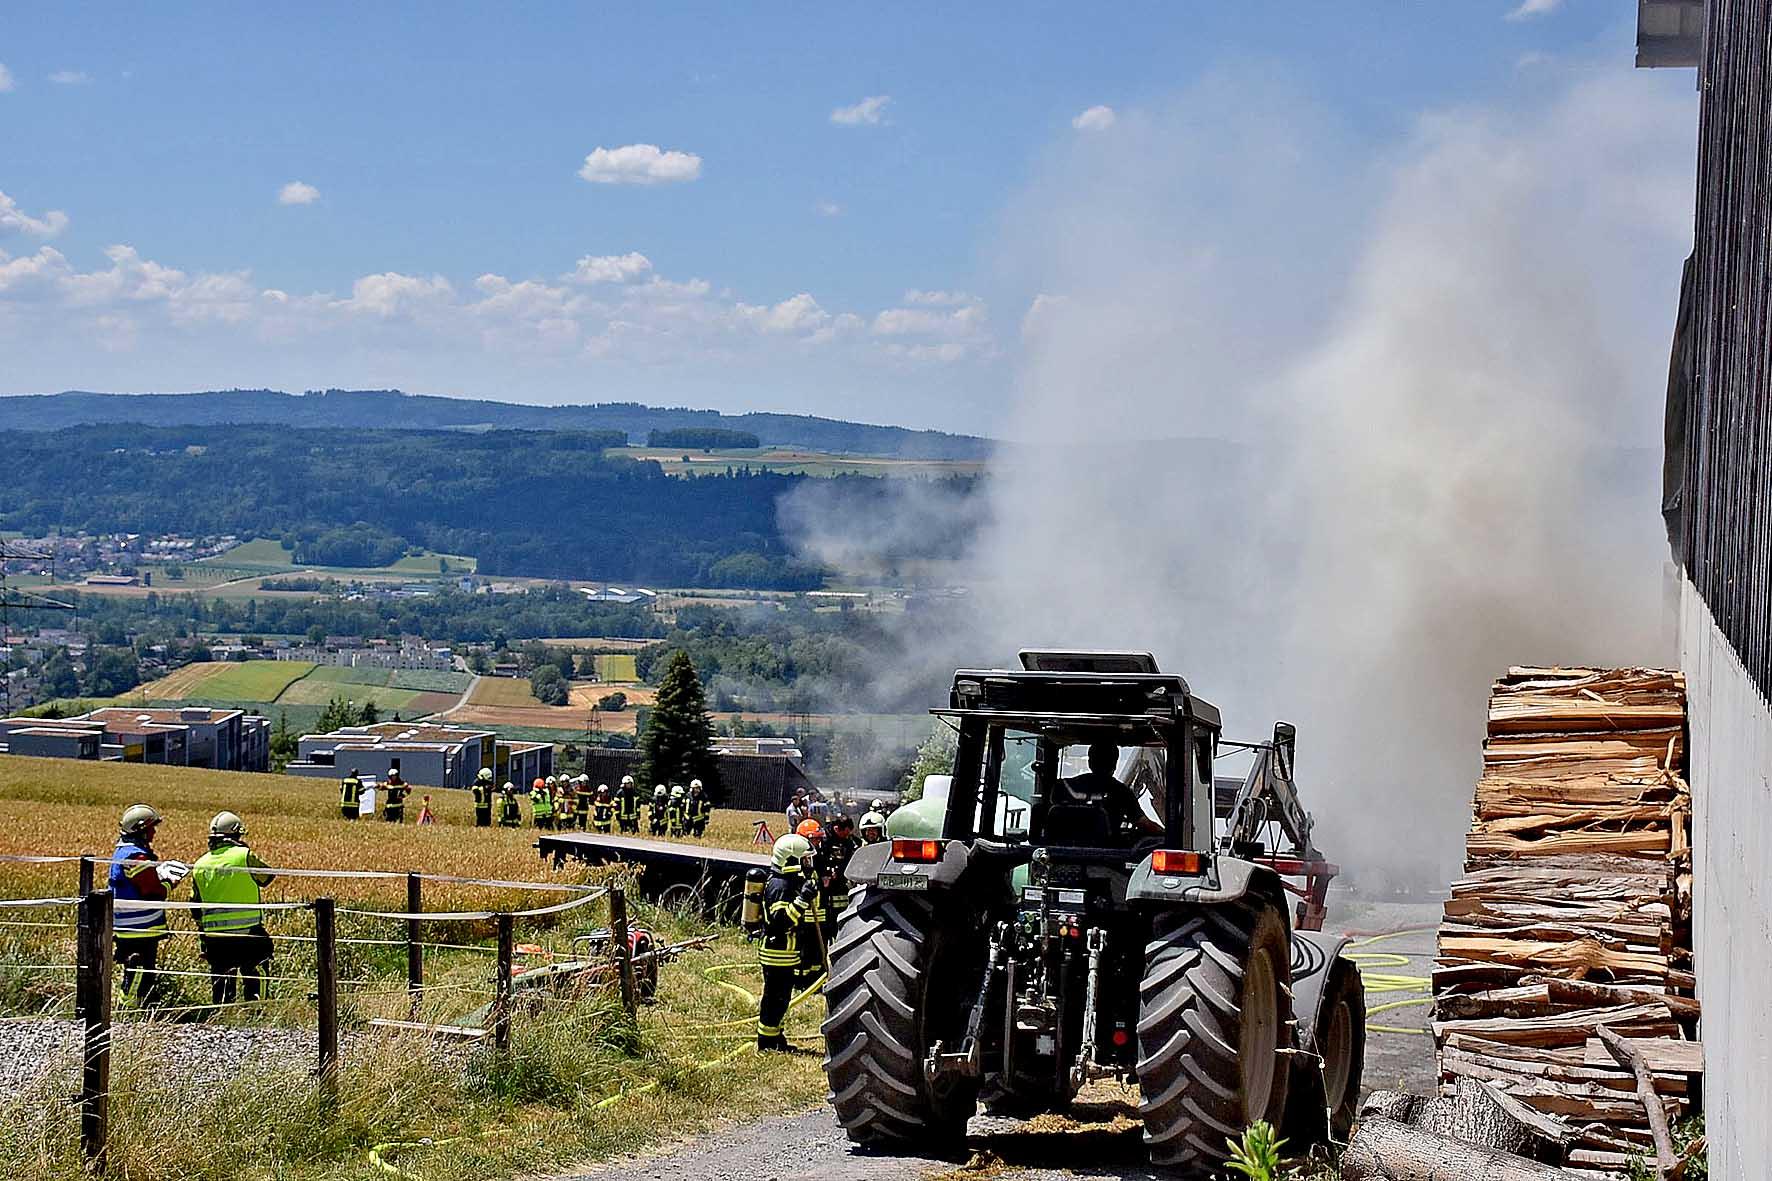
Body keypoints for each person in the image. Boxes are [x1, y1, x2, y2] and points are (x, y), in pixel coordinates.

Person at [190, 811, 276, 1007]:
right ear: (237, 835)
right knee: (257, 970)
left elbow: (194, 904)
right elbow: (267, 877)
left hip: (214, 938)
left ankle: (222, 1015)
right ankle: (256, 1011)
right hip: (248, 933)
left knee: (221, 979)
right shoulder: (244, 856)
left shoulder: (200, 864)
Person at [109, 804, 186, 1007]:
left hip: (127, 927)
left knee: (137, 971)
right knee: (140, 971)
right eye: (151, 828)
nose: (154, 832)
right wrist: (170, 882)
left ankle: (137, 1007)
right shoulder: (137, 857)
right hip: (140, 929)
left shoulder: (123, 853)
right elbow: (152, 891)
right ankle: (129, 1010)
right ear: (141, 830)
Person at [755, 834, 819, 1052]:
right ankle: (766, 1042)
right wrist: (802, 900)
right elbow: (780, 922)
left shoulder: (789, 881)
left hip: (786, 953)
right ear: (791, 860)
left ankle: (776, 1038)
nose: (808, 865)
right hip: (776, 953)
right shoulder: (779, 886)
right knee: (774, 1000)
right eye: (805, 860)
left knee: (781, 999)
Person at [1059, 741, 1161, 838]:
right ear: (1114, 764)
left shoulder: (1065, 786)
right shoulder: (1122, 792)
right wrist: (1165, 833)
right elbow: (1143, 823)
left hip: (1060, 846)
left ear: (1090, 762)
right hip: (1108, 851)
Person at [816, 814, 863, 938]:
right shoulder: (823, 839)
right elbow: (818, 860)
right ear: (837, 829)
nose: (847, 836)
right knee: (825, 917)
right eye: (845, 833)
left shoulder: (849, 840)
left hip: (841, 883)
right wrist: (825, 874)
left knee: (842, 911)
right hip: (824, 886)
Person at [794, 818, 827, 983]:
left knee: (817, 950)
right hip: (801, 915)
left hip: (817, 914)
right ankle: (801, 981)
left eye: (819, 838)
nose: (818, 842)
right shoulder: (796, 859)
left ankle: (816, 978)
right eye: (815, 838)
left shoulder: (817, 857)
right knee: (803, 950)